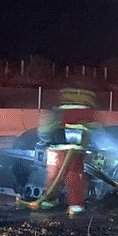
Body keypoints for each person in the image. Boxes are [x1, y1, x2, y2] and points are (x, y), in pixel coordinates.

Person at [34, 88, 99, 217]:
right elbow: (94, 129)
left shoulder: (56, 110)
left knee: (53, 174)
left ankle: (48, 200)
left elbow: (44, 130)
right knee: (73, 176)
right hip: (72, 152)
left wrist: (45, 141)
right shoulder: (85, 111)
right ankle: (75, 206)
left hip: (54, 149)